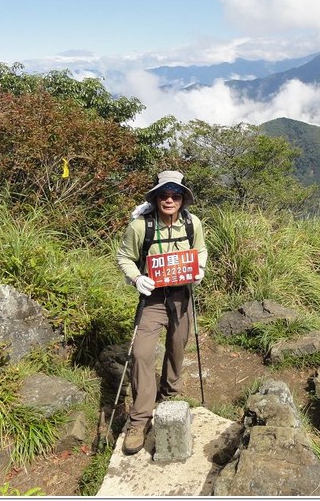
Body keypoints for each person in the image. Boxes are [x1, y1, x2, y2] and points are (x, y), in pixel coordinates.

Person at [116, 170, 207, 455]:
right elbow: (124, 257)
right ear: (156, 197)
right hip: (152, 299)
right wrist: (135, 278)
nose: (169, 200)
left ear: (182, 199)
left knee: (177, 346)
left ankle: (169, 394)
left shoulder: (193, 224)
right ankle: (139, 419)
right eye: (164, 195)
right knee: (142, 353)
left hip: (181, 296)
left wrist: (199, 269)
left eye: (175, 195)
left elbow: (200, 249)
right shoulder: (141, 226)